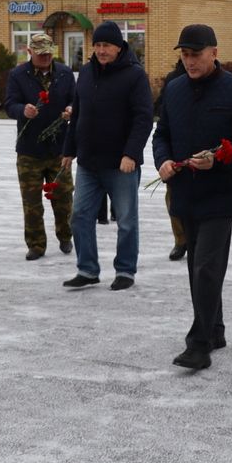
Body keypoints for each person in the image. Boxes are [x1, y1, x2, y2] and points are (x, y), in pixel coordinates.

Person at [153, 24, 232, 371]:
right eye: (184, 55)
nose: (190, 61)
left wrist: (221, 157)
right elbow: (161, 133)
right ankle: (215, 329)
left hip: (220, 194)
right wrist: (163, 160)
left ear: (214, 51)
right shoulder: (175, 89)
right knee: (197, 266)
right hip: (184, 192)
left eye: (195, 54)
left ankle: (198, 345)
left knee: (206, 269)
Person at [61, 20, 153, 291]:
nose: (101, 50)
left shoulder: (134, 75)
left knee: (125, 220)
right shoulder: (87, 72)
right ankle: (87, 269)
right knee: (79, 216)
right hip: (89, 162)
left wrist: (131, 154)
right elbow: (77, 114)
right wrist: (69, 149)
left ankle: (125, 270)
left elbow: (143, 118)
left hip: (120, 164)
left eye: (107, 45)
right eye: (98, 45)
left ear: (119, 47)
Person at [4, 32, 75, 261]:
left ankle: (66, 236)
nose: (45, 56)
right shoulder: (18, 75)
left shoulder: (64, 73)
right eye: (40, 52)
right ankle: (36, 244)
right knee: (32, 202)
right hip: (29, 151)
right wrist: (22, 111)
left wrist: (71, 109)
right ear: (29, 51)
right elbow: (9, 104)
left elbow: (76, 99)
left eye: (48, 52)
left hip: (58, 150)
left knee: (63, 198)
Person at [155, 59, 188, 260]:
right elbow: (162, 109)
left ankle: (195, 239)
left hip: (204, 151)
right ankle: (180, 240)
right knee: (173, 199)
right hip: (177, 151)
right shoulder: (174, 80)